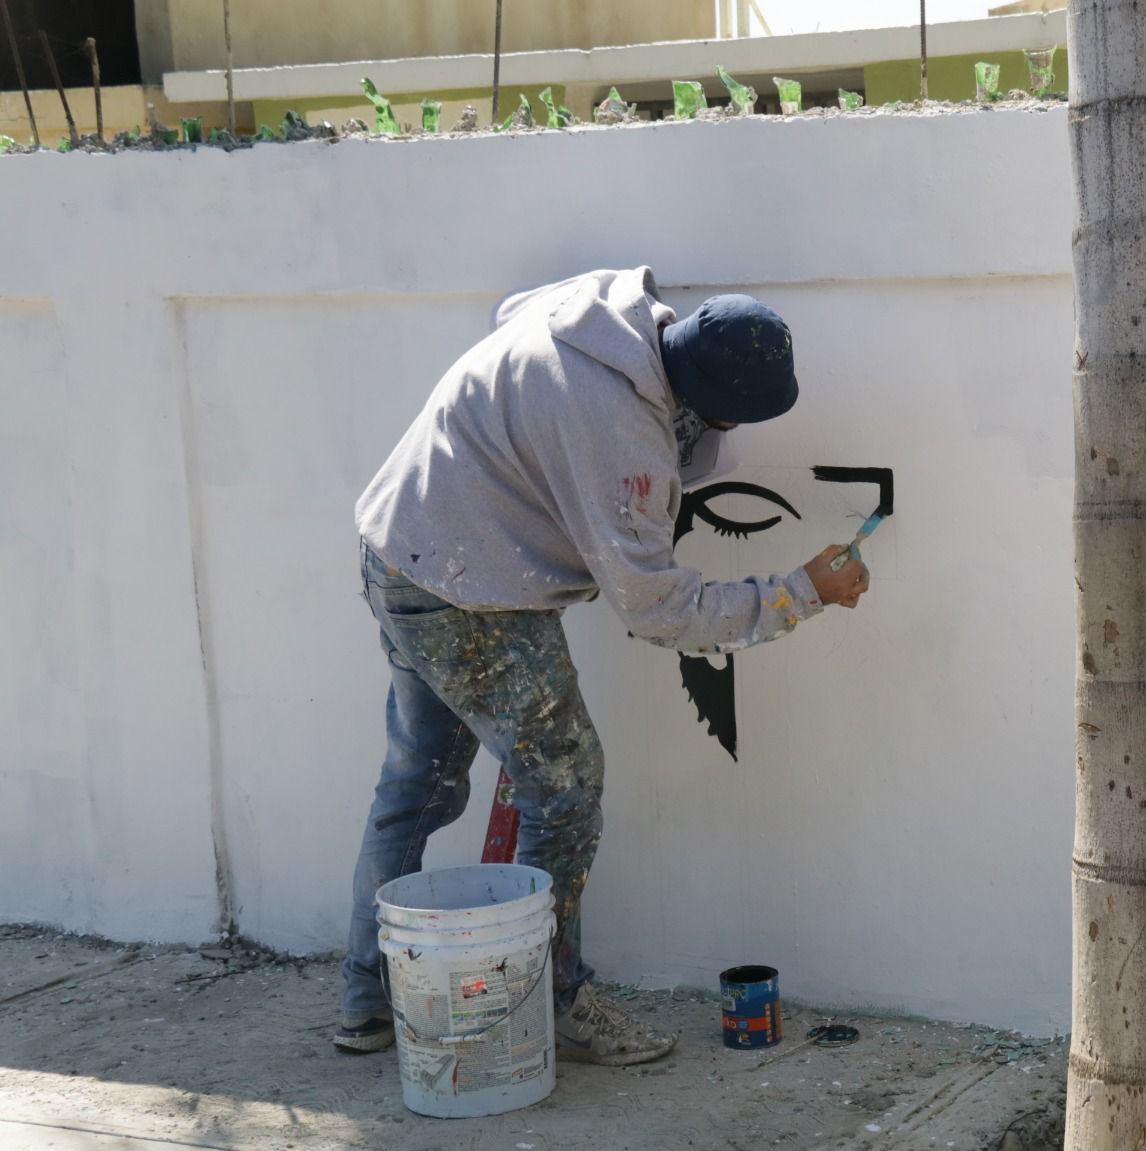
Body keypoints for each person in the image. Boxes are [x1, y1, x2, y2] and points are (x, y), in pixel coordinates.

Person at [335, 267, 869, 1064]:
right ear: (707, 400)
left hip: (402, 540)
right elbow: (658, 610)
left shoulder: (604, 310)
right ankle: (555, 999)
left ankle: (365, 999)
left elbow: (505, 316)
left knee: (420, 780)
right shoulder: (621, 437)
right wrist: (802, 592)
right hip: (466, 591)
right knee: (565, 784)